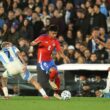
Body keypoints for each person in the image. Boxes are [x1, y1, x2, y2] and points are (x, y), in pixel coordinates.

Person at [31, 25, 69, 100]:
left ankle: (56, 93)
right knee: (53, 72)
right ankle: (51, 81)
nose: (55, 35)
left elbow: (59, 51)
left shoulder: (55, 41)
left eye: (56, 34)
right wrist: (34, 43)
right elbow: (33, 42)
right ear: (49, 32)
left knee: (57, 77)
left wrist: (65, 57)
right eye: (53, 33)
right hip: (42, 61)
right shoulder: (43, 37)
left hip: (50, 60)